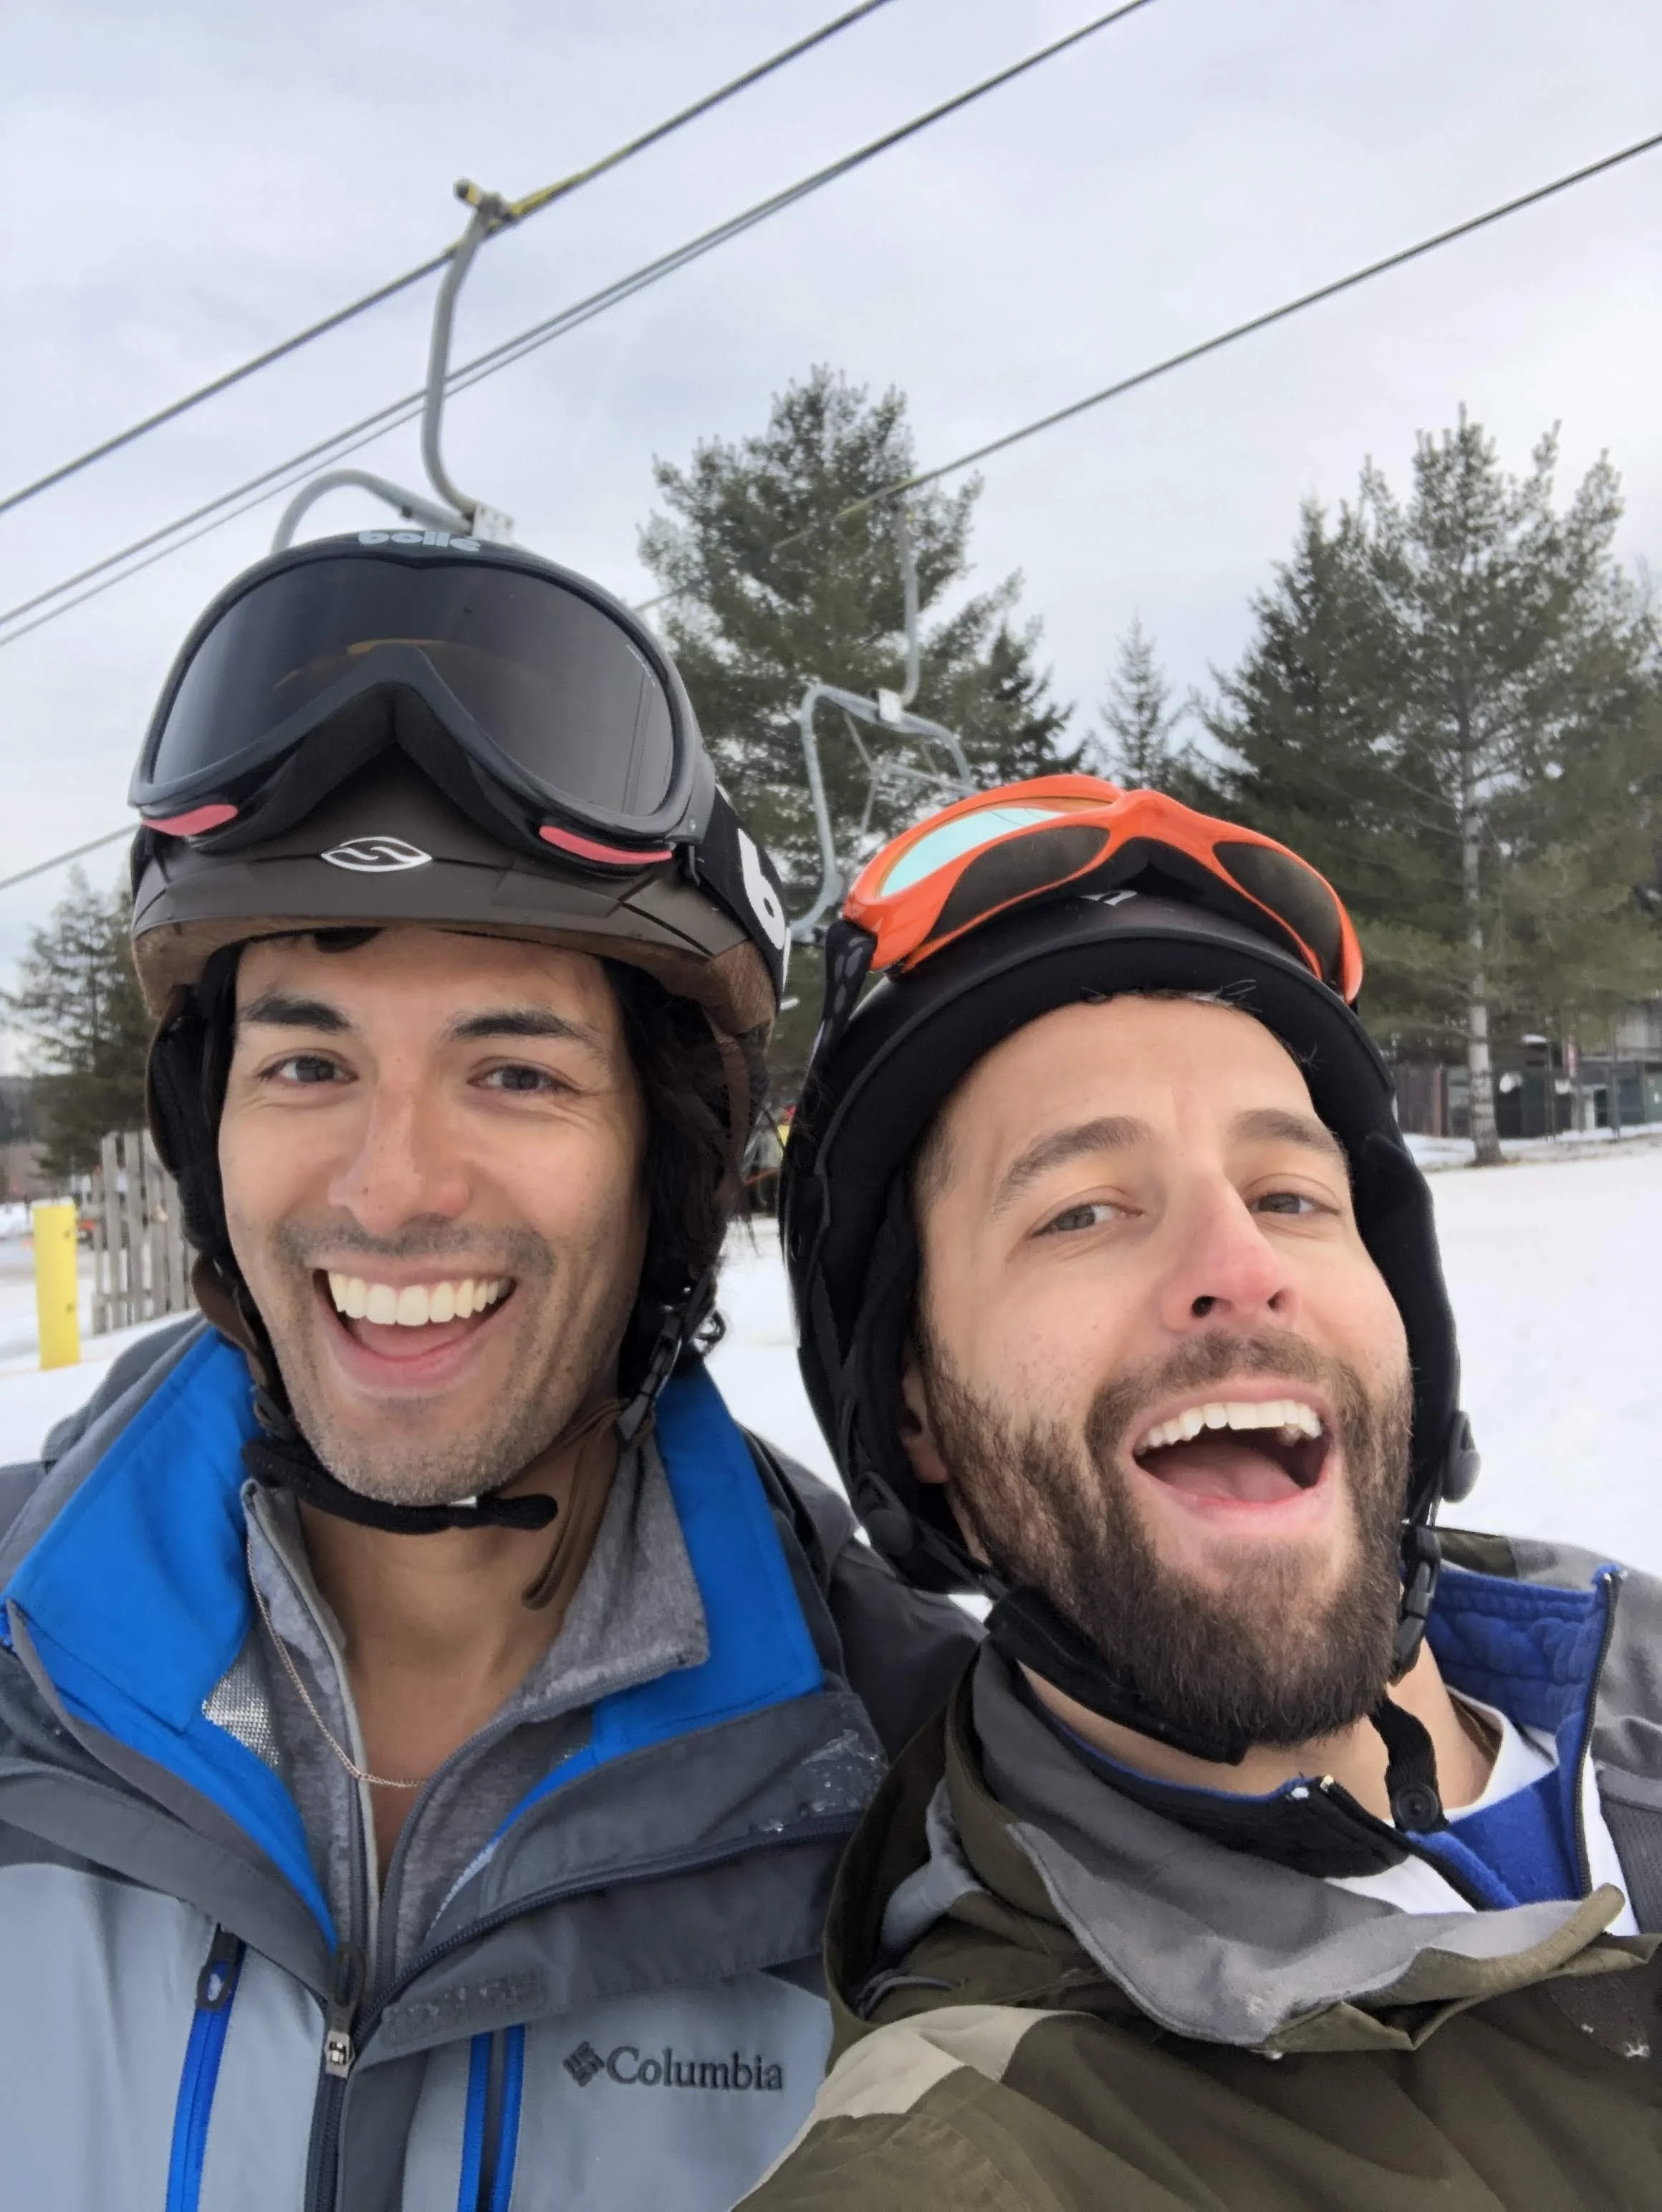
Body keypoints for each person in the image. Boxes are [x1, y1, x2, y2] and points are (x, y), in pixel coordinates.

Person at [0, 531, 977, 2212]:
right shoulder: (21, 1674)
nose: (389, 1189)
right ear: (206, 1129)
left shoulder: (915, 1799)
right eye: (308, 1059)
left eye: (512, 1072)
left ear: (658, 1164)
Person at [746, 774, 1662, 2211]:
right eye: (1080, 1210)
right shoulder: (993, 2140)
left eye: (1293, 1193)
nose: (1239, 1265)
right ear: (913, 1407)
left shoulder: (1629, 1684)